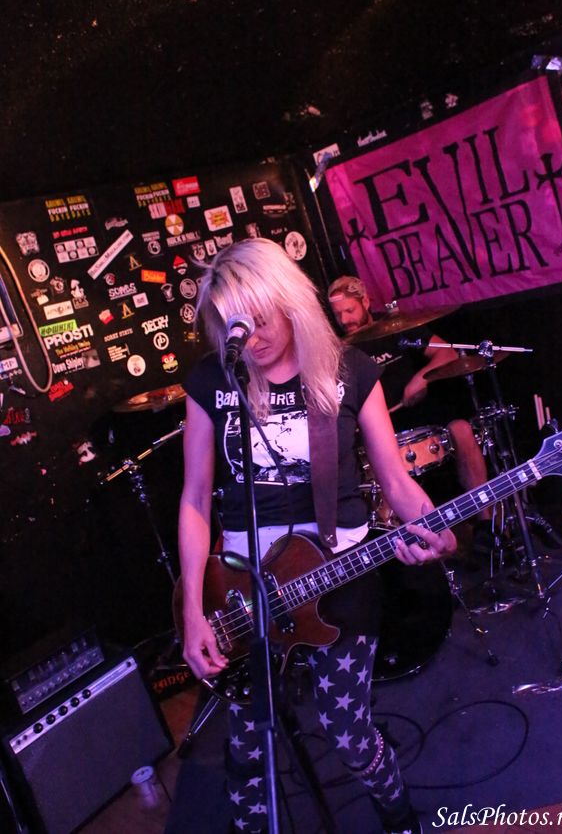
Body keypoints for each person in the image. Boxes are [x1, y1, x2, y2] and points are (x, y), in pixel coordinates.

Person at [178, 239, 456, 834]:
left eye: (261, 319)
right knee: (247, 747)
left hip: (338, 570)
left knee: (346, 729)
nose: (253, 340)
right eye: (236, 327)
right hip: (244, 592)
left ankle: (400, 817)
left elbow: (395, 481)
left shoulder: (348, 370)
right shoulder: (212, 380)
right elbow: (195, 498)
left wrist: (431, 525)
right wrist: (194, 613)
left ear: (290, 301)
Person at [327, 276, 491, 527]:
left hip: (418, 411)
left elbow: (447, 352)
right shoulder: (342, 352)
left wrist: (420, 379)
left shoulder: (397, 327)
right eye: (338, 314)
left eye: (350, 310)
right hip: (378, 425)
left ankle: (485, 525)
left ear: (366, 302)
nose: (345, 320)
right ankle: (398, 534)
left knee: (462, 429)